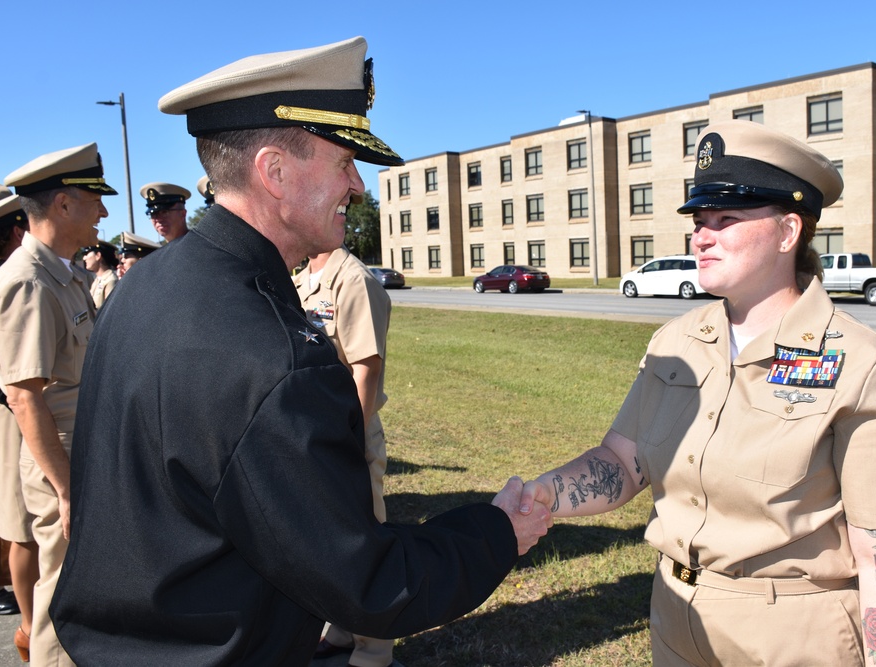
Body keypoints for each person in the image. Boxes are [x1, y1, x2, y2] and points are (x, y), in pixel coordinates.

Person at [50, 36, 550, 666]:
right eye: (344, 162)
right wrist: (498, 531)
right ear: (274, 172)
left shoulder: (147, 285)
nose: (359, 187)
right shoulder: (274, 357)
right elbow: (371, 584)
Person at [519, 121, 876, 666]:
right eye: (699, 221)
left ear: (789, 232)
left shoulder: (867, 368)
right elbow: (623, 462)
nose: (701, 236)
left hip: (792, 638)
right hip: (677, 619)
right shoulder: (678, 341)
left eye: (726, 220)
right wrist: (543, 493)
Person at [0, 143, 114, 666]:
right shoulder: (29, 283)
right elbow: (23, 397)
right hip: (59, 459)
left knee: (80, 591)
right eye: (95, 200)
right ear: (63, 205)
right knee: (63, 599)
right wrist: (65, 489)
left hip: (76, 449)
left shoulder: (59, 273)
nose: (104, 212)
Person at [295, 246, 395, 667]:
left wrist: (347, 442)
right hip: (314, 430)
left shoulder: (353, 279)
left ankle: (375, 651)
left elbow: (366, 368)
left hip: (347, 432)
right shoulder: (302, 275)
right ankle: (341, 630)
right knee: (329, 543)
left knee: (363, 543)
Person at [0, 191, 38, 663]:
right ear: (18, 229)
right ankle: (28, 629)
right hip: (5, 408)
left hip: (9, 404)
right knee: (18, 521)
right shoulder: (4, 280)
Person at [81, 240, 118, 308]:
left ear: (98, 256)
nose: (84, 258)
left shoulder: (111, 280)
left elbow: (110, 311)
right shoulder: (98, 280)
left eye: (86, 254)